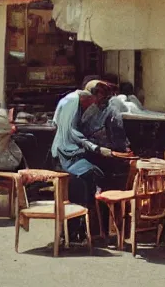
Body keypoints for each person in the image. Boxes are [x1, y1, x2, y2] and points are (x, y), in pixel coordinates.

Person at [51, 85, 114, 234]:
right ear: (88, 97)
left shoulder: (68, 100)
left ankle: (85, 228)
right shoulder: (72, 102)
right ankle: (81, 228)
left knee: (92, 177)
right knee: (92, 177)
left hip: (65, 152)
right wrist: (95, 147)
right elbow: (71, 130)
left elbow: (55, 123)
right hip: (66, 154)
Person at [81, 80, 130, 152]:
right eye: (96, 95)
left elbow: (117, 128)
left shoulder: (110, 107)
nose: (98, 98)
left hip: (102, 144)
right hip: (94, 144)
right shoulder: (93, 108)